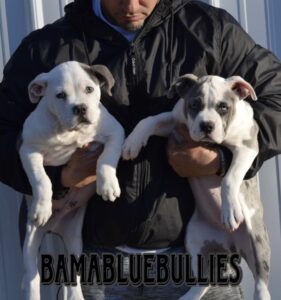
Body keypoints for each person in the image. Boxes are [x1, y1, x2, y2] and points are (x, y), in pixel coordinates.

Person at [1, 0, 281, 299]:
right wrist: (60, 177)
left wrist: (218, 160)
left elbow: (276, 99)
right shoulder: (48, 47)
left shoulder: (210, 30)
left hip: (200, 256)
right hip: (94, 264)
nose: (131, 6)